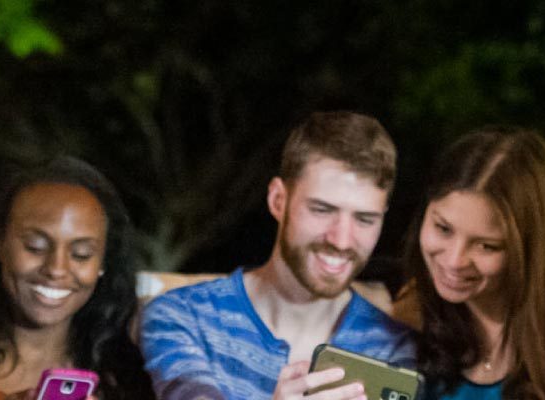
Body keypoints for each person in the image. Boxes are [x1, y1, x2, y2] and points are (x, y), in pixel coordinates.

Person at [140, 111, 415, 399]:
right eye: (322, 210)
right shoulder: (183, 317)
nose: (342, 240)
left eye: (365, 219)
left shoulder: (392, 349)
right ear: (277, 200)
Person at [0, 157, 154, 400]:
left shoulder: (129, 368)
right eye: (36, 247)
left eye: (81, 254)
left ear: (103, 263)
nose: (56, 269)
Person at [396, 128, 545, 399]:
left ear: (530, 250)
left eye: (487, 246)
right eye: (443, 229)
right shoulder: (410, 314)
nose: (454, 260)